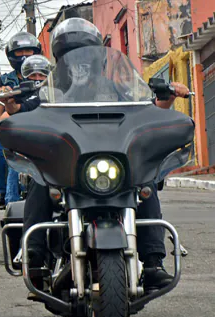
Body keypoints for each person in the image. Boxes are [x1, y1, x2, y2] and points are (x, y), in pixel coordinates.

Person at [15, 18, 190, 292]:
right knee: (41, 179)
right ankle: (34, 254)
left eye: (85, 54)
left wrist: (168, 94)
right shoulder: (49, 92)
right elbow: (22, 114)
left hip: (113, 161)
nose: (80, 62)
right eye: (71, 55)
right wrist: (9, 101)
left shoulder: (119, 89)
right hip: (70, 166)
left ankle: (154, 262)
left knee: (144, 184)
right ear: (60, 59)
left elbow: (149, 108)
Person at [0, 32, 42, 209]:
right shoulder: (5, 80)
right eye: (20, 52)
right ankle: (5, 192)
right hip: (14, 125)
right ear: (11, 55)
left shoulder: (48, 75)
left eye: (29, 50)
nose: (25, 55)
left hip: (43, 124)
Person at [0, 55, 51, 205]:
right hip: (29, 139)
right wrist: (8, 101)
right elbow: (16, 108)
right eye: (33, 75)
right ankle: (11, 203)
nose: (37, 78)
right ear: (26, 76)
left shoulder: (58, 92)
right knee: (17, 162)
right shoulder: (21, 92)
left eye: (41, 74)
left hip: (55, 138)